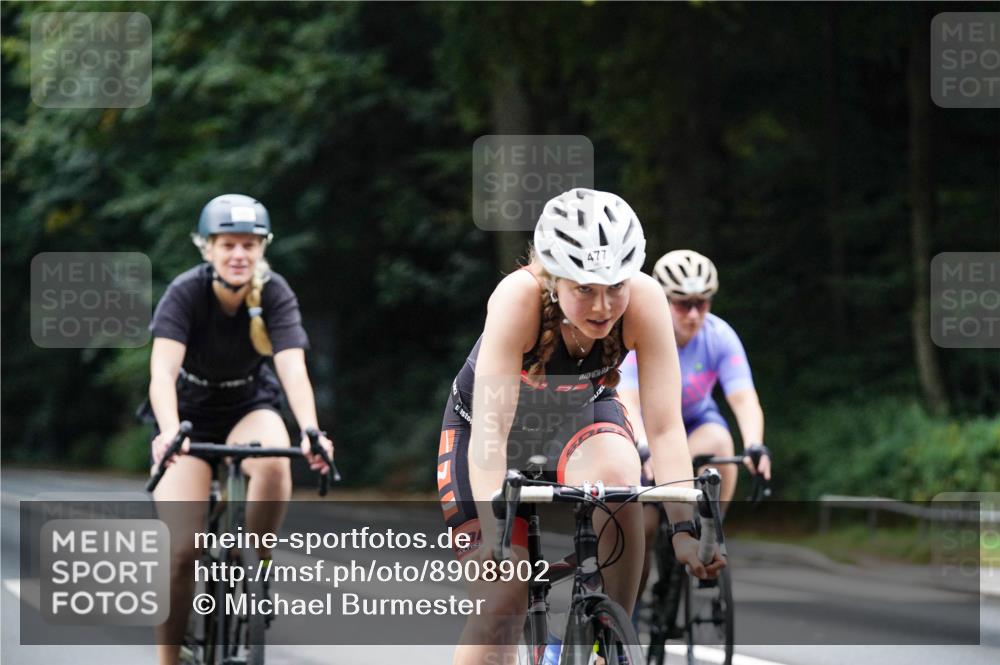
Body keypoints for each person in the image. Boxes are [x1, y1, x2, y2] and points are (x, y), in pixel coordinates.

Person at [437, 189, 725, 665]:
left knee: (621, 483)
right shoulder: (518, 298)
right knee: (501, 604)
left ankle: (608, 640)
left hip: (579, 420)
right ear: (553, 278)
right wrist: (494, 533)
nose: (603, 306)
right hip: (489, 434)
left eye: (616, 286)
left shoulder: (646, 301)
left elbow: (666, 427)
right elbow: (491, 431)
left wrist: (684, 530)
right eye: (584, 288)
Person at [142, 193, 333, 665]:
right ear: (207, 247)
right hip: (188, 417)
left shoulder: (274, 293)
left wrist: (312, 430)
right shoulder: (185, 292)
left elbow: (292, 368)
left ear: (262, 247)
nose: (238, 255)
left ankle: (257, 565)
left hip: (248, 404)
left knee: (274, 458)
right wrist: (169, 432)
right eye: (227, 244)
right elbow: (161, 372)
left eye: (249, 244)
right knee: (182, 552)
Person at [616, 249, 770, 606]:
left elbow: (744, 398)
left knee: (719, 440)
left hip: (696, 422)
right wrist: (643, 449)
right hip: (645, 428)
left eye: (702, 303)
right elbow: (630, 401)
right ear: (663, 300)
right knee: (645, 530)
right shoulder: (640, 334)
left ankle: (709, 533)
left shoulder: (719, 335)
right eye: (683, 304)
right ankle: (630, 611)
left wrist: (755, 445)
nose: (694, 313)